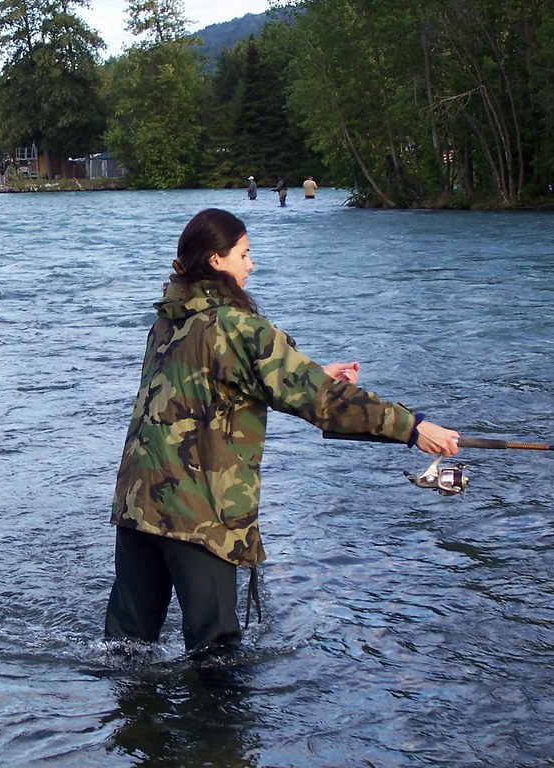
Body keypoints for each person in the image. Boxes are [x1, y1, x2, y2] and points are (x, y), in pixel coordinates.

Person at [104, 208, 459, 656]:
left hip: (137, 506)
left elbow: (218, 384)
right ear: (217, 260)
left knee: (125, 652)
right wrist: (414, 428)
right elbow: (325, 404)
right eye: (244, 254)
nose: (250, 264)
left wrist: (313, 373)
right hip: (198, 515)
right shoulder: (237, 326)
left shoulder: (169, 320)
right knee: (216, 656)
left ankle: (130, 725)